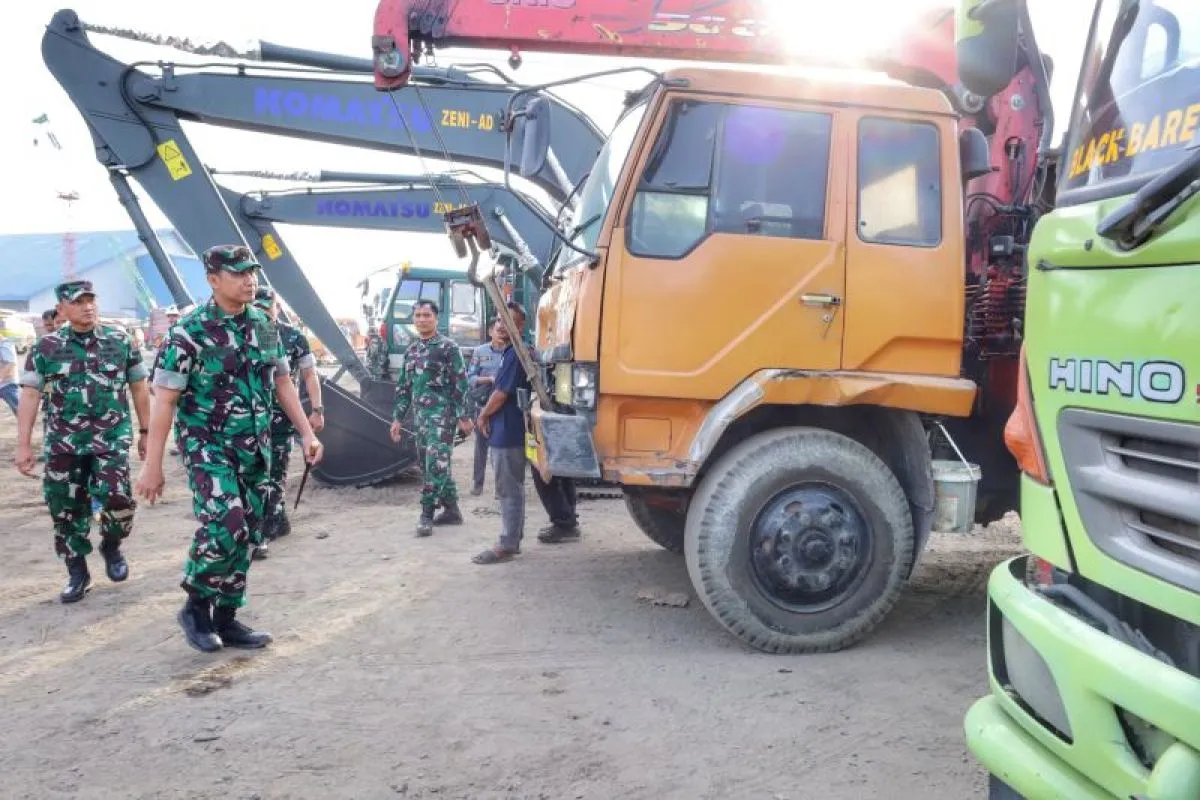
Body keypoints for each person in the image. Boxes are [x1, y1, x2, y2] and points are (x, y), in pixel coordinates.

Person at [135, 244, 324, 653]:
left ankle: (227, 616)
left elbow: (282, 382)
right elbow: (164, 402)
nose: (248, 280)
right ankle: (196, 605)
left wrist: (307, 433)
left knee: (250, 531)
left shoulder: (264, 324)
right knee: (227, 522)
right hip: (208, 447)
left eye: (251, 272)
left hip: (256, 446)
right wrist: (153, 465)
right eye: (238, 273)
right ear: (213, 279)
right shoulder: (188, 332)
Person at [13, 280, 151, 603]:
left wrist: (146, 432)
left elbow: (139, 387)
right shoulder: (46, 348)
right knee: (64, 509)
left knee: (118, 499)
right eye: (78, 302)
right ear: (61, 309)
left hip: (111, 439)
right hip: (64, 444)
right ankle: (77, 571)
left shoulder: (120, 340)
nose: (88, 306)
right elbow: (30, 395)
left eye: (91, 300)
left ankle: (112, 546)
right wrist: (24, 445)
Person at [389, 299, 472, 537]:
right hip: (421, 419)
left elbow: (460, 383)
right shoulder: (411, 350)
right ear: (413, 320)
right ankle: (452, 510)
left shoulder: (448, 347)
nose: (422, 319)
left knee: (436, 462)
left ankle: (426, 513)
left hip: (442, 417)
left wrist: (463, 415)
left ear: (436, 318)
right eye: (418, 316)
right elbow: (404, 387)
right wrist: (397, 419)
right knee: (429, 464)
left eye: (427, 315)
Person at [252, 285, 324, 555]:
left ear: (277, 307)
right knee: (257, 472)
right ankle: (275, 519)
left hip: (282, 416)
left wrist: (317, 409)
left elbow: (309, 375)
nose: (262, 312)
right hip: (251, 417)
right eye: (256, 307)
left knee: (276, 473)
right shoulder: (243, 333)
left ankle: (266, 528)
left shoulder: (294, 337)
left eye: (266, 307)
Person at [471, 303, 530, 565]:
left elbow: (501, 393)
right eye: (499, 320)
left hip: (509, 430)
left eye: (508, 320)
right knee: (511, 486)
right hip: (507, 428)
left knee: (508, 488)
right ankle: (512, 537)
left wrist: (483, 415)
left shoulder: (515, 353)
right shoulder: (512, 352)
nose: (501, 325)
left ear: (520, 326)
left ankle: (507, 544)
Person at [464, 319, 509, 495]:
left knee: (500, 450)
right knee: (481, 448)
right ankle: (478, 484)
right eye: (497, 330)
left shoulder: (510, 352)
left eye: (503, 330)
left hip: (503, 407)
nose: (500, 333)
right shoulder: (480, 352)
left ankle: (500, 488)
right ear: (491, 331)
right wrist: (488, 379)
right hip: (483, 406)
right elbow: (470, 378)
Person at [0, 336, 18, 416]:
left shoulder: (5, 344)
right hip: (4, 384)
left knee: (19, 410)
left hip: (7, 385)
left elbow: (10, 364)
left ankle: (26, 424)